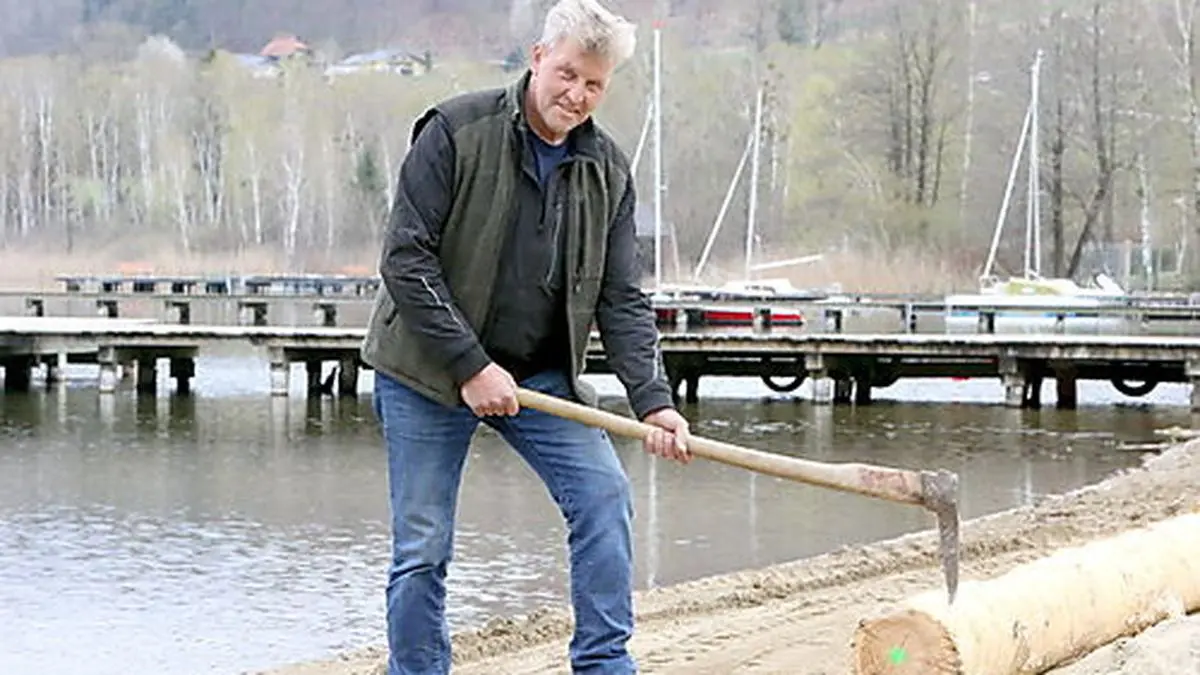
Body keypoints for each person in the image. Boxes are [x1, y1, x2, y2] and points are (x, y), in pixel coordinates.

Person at [358, 0, 692, 672]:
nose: (577, 94)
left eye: (594, 84)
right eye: (567, 73)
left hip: (539, 374)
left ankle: (603, 663)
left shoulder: (608, 171)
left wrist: (653, 400)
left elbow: (620, 297)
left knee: (603, 496)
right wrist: (470, 365)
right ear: (538, 57)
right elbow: (405, 258)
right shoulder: (455, 130)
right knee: (422, 546)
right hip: (428, 367)